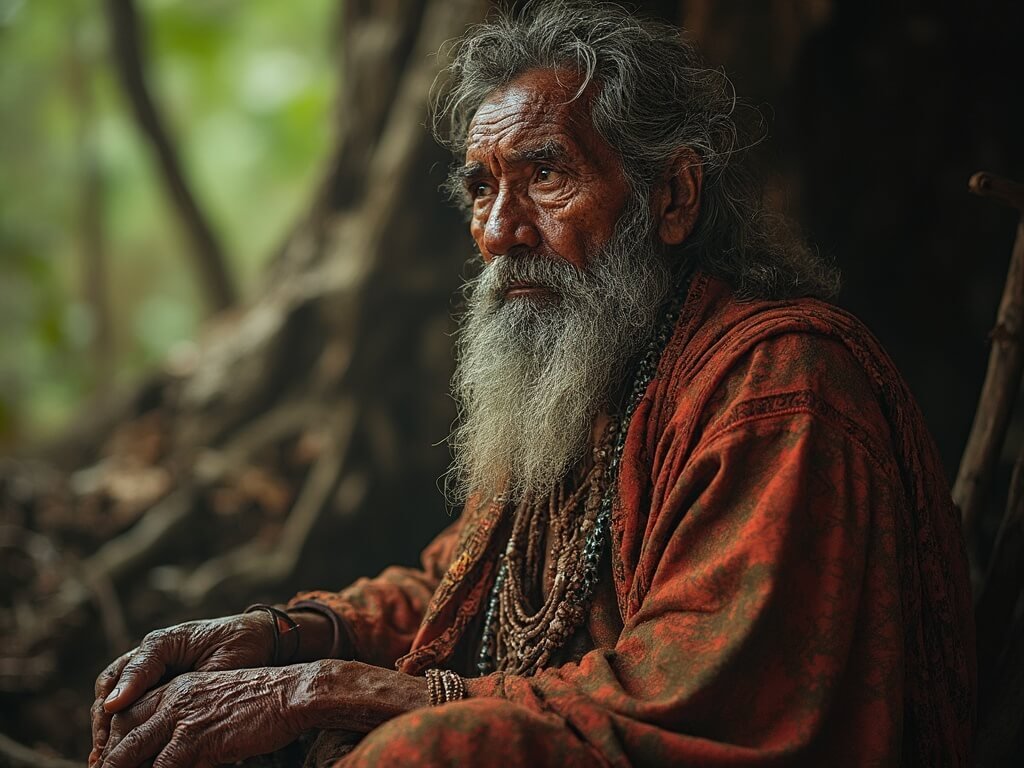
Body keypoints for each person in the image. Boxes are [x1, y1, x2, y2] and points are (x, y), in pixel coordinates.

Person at [89, 3, 976, 766]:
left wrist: (334, 692)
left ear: (673, 198)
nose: (502, 229)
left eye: (545, 174)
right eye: (482, 188)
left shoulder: (778, 387)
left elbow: (700, 700)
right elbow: (464, 586)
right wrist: (286, 638)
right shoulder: (593, 376)